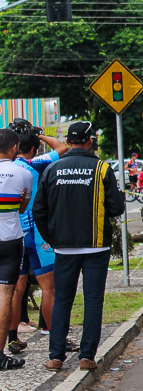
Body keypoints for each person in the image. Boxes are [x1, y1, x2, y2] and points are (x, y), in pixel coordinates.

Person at [34, 121, 125, 372]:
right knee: (93, 301)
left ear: (70, 140)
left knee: (62, 299)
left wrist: (53, 239)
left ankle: (56, 356)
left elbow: (38, 210)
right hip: (96, 247)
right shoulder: (102, 169)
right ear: (89, 140)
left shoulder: (52, 169)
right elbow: (117, 208)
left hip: (63, 248)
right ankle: (87, 357)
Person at [7, 120, 68, 356]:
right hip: (38, 236)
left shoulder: (7, 169)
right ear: (32, 148)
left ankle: (13, 337)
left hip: (14, 236)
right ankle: (56, 338)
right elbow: (62, 148)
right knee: (49, 288)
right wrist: (40, 135)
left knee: (15, 290)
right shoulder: (36, 164)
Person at [0, 129, 32, 370]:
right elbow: (22, 209)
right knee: (5, 296)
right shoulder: (23, 173)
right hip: (10, 239)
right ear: (15, 148)